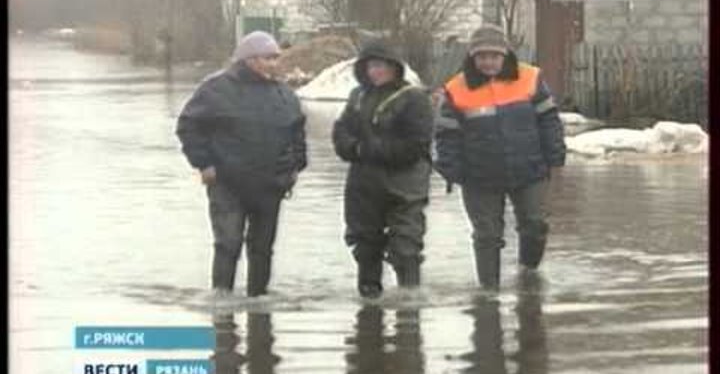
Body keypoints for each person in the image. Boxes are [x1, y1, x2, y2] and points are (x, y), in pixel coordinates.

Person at [434, 24, 566, 292]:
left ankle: (528, 273)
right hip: (479, 176)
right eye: (482, 56)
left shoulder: (530, 78)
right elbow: (446, 135)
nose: (488, 62)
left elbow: (549, 121)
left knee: (535, 224)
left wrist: (555, 157)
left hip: (529, 170)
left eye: (494, 56)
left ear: (505, 55)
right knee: (487, 235)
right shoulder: (456, 89)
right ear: (472, 58)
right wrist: (452, 170)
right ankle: (488, 292)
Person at [176, 31, 307, 297]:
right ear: (249, 60)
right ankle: (221, 301)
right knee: (228, 243)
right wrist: (204, 163)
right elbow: (188, 126)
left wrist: (295, 166)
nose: (274, 64)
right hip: (227, 183)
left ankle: (258, 302)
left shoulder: (283, 93)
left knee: (262, 248)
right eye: (268, 58)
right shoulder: (216, 88)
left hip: (271, 185)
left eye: (276, 58)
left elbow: (297, 132)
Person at [332, 40, 434, 299]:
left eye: (380, 66)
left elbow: (416, 144)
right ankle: (369, 303)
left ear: (394, 67)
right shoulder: (358, 97)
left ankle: (409, 305)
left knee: (406, 245)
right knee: (365, 244)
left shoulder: (414, 99)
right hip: (364, 184)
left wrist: (372, 150)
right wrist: (352, 148)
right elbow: (342, 131)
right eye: (370, 67)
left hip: (405, 184)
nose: (374, 72)